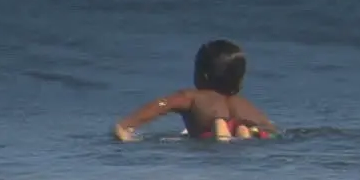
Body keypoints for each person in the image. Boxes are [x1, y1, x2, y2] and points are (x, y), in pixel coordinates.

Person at [112, 39, 276, 142]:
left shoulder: (193, 98)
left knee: (214, 136)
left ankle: (219, 128)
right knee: (252, 131)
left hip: (208, 136)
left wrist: (125, 126)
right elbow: (273, 131)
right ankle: (245, 131)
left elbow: (162, 104)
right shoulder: (246, 106)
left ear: (203, 75)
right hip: (257, 131)